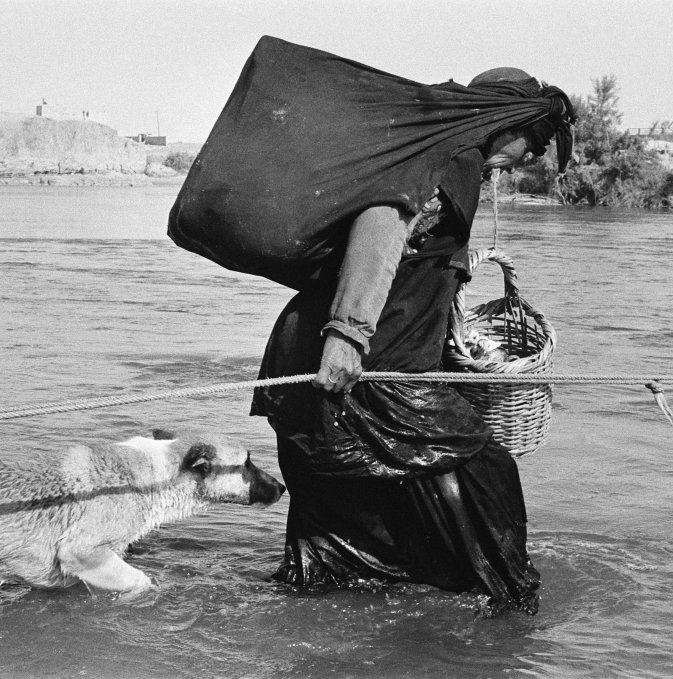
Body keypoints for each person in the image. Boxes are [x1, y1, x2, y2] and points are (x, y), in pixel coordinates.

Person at [250, 67, 575, 615]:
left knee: (341, 544)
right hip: (361, 371)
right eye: (535, 143)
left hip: (331, 365)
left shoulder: (450, 157)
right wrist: (348, 336)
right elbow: (383, 222)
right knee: (486, 471)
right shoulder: (455, 161)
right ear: (507, 121)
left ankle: (337, 640)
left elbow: (413, 257)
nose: (531, 159)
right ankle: (509, 624)